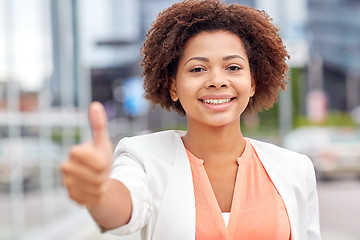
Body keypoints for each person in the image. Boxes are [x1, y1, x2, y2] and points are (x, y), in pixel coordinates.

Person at [61, 0, 321, 239]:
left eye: (233, 68)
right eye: (197, 69)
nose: (217, 81)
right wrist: (99, 193)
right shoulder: (143, 157)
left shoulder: (295, 169)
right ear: (173, 86)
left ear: (252, 83)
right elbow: (121, 209)